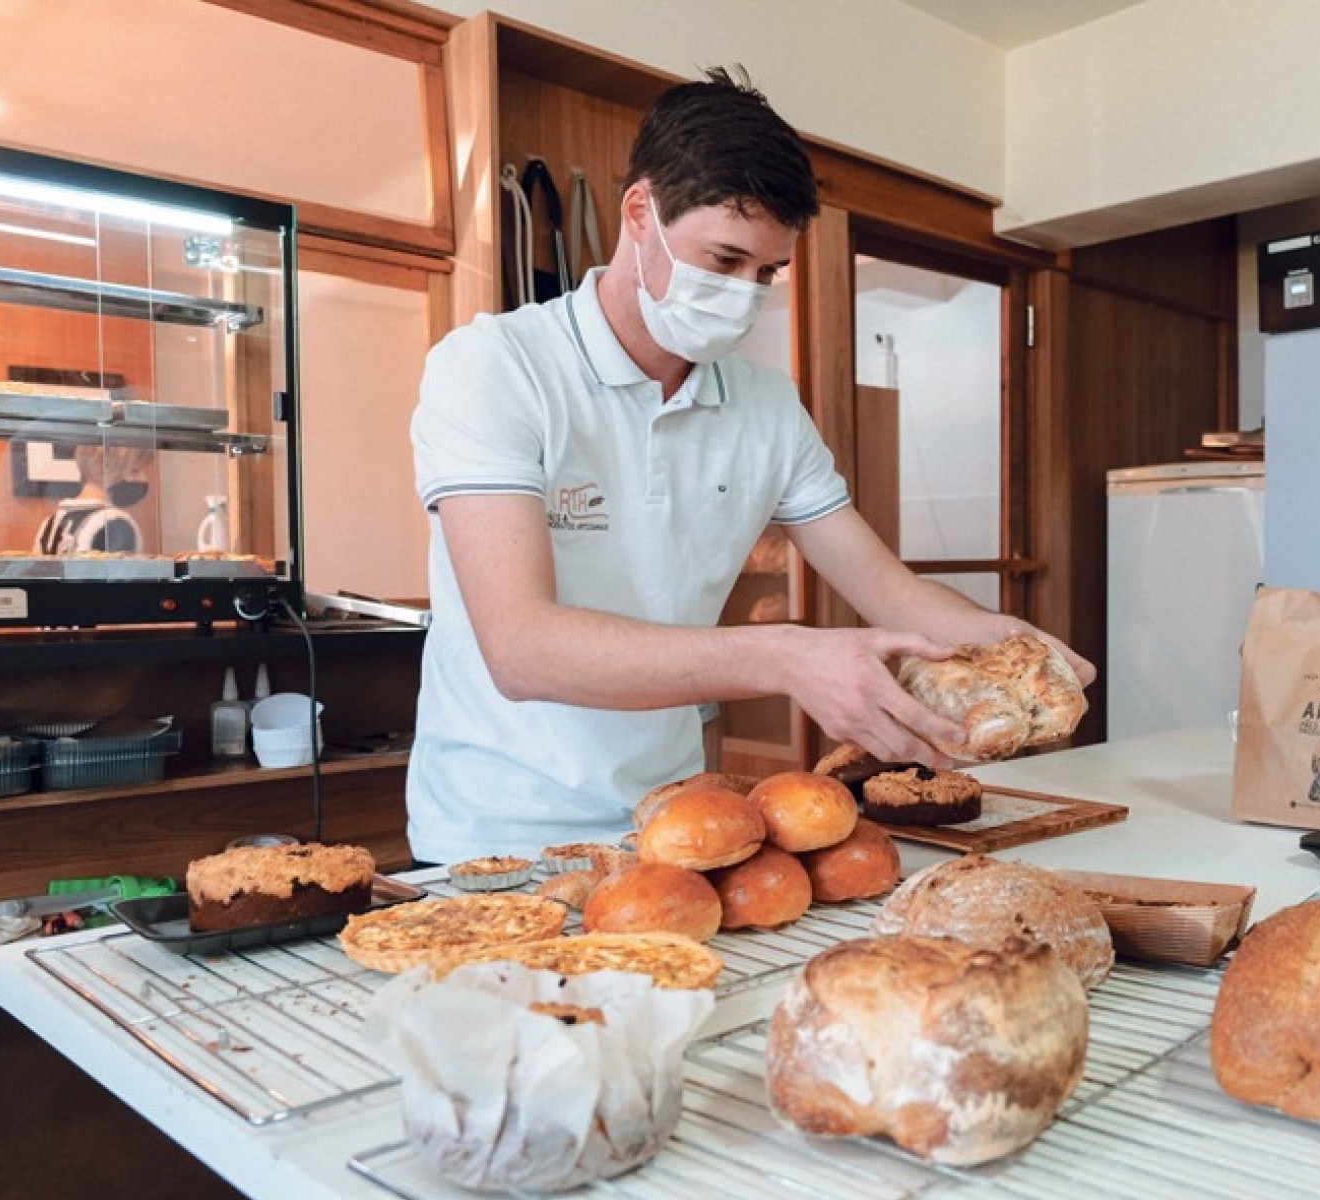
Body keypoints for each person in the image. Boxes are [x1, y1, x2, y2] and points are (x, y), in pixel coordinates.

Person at [405, 67, 1094, 864]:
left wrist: (1005, 646)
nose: (745, 292)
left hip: (673, 827)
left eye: (767, 273)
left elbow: (889, 592)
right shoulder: (496, 367)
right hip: (492, 839)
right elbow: (521, 648)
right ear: (640, 213)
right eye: (724, 259)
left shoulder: (764, 405)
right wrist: (788, 656)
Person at [33, 443, 148, 554]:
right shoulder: (117, 524)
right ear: (113, 471)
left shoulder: (50, 523)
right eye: (135, 471)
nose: (143, 478)